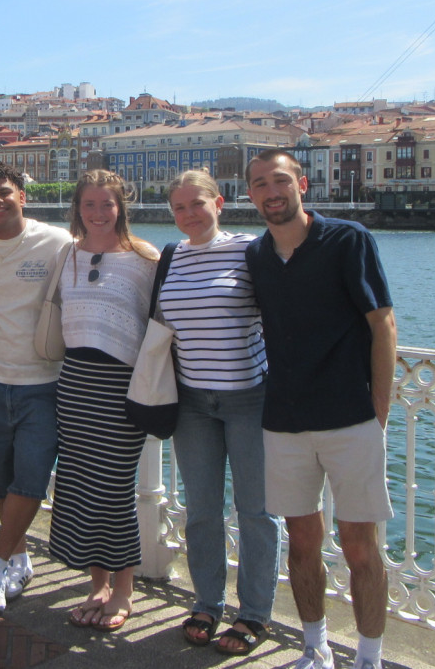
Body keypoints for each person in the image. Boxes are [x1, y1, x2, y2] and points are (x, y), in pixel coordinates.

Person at [245, 149, 397, 669]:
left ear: (302, 185)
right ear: (250, 195)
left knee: (360, 545)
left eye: (280, 180)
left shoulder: (347, 240)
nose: (272, 191)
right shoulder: (257, 256)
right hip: (284, 421)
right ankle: (316, 648)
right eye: (261, 183)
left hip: (351, 418)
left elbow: (383, 323)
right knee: (303, 542)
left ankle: (370, 658)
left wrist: (379, 410)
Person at [159, 169, 281, 657]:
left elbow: (285, 305)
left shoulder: (250, 250)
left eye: (197, 204)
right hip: (192, 402)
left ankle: (254, 613)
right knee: (202, 512)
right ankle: (207, 601)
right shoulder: (171, 256)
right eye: (179, 208)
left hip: (249, 398)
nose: (189, 214)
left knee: (256, 513)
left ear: (220, 203)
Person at [0, 163, 72, 611]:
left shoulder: (57, 242)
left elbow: (108, 250)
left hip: (43, 383)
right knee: (0, 480)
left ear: (23, 195)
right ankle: (19, 559)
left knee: (31, 478)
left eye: (4, 192)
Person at [48, 170, 157, 632]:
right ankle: (97, 584)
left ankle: (125, 589)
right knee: (80, 483)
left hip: (120, 385)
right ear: (77, 208)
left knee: (113, 489)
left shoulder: (144, 258)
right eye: (88, 205)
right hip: (74, 381)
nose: (97, 213)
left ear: (121, 207)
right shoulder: (67, 255)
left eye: (106, 205)